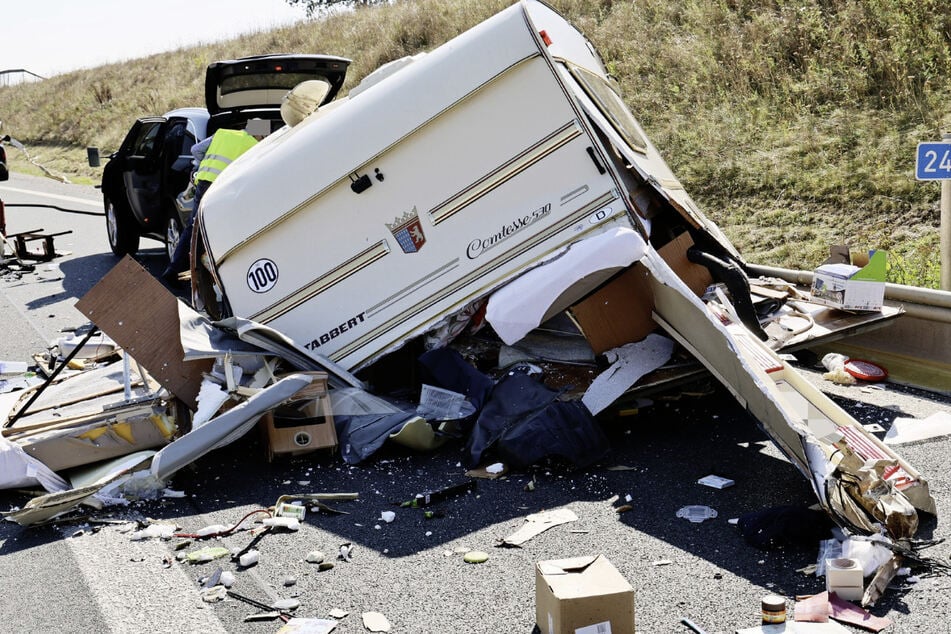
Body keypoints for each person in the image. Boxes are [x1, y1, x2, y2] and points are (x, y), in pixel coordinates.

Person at [162, 119, 269, 283]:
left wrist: (203, 165)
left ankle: (174, 269)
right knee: (223, 228)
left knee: (194, 227)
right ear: (260, 134)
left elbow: (195, 149)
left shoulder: (223, 133)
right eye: (263, 136)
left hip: (203, 182)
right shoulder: (253, 146)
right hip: (222, 189)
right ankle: (218, 272)